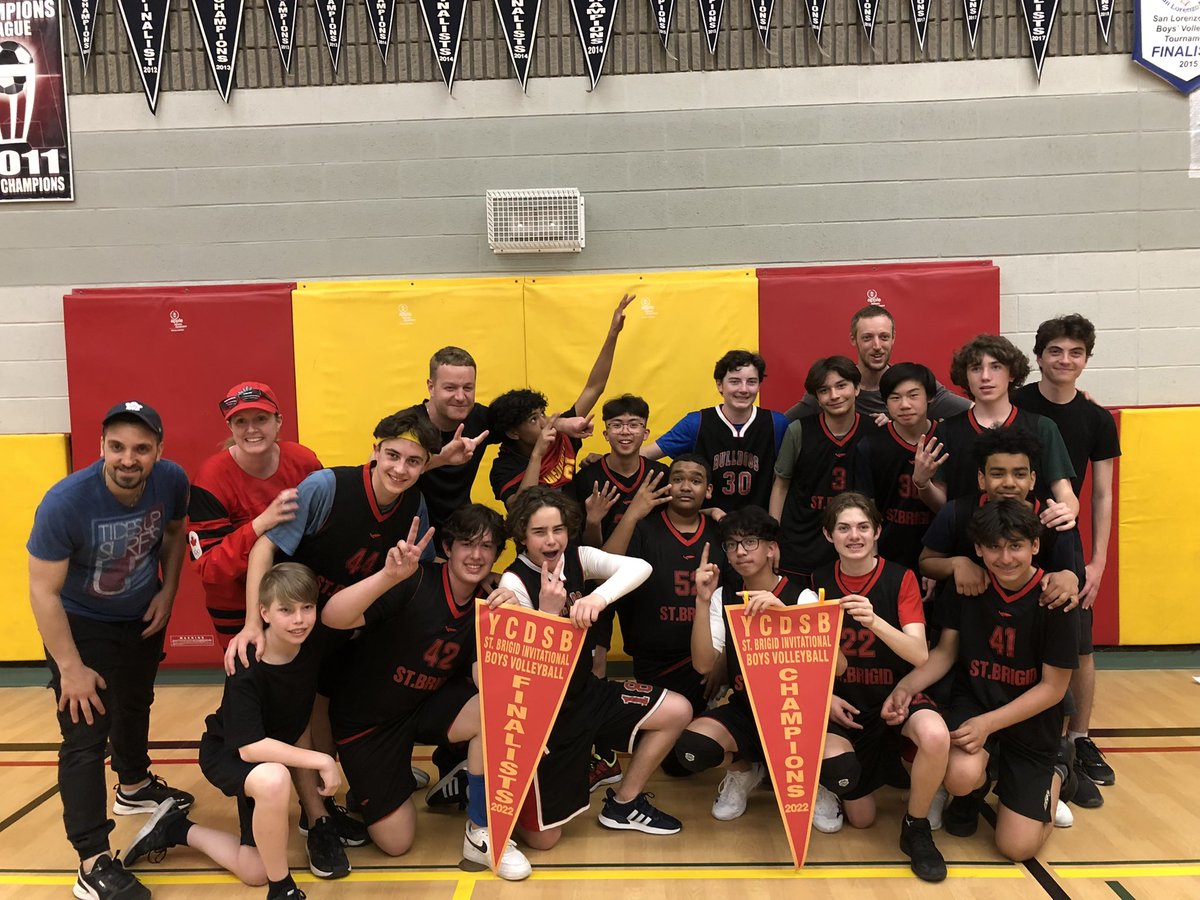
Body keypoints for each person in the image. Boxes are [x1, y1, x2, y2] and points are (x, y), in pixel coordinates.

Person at [225, 408, 442, 842]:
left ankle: (331, 801)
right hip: (298, 621)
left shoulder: (414, 504)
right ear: (375, 450)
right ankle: (314, 818)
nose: (400, 469)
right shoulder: (326, 487)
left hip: (348, 627)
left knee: (327, 708)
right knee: (297, 717)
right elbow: (264, 549)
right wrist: (252, 623)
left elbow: (426, 571)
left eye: (413, 461)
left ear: (424, 466)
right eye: (393, 455)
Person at [27, 400, 192, 900]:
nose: (128, 458)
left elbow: (175, 532)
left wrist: (167, 592)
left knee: (136, 702)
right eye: (117, 446)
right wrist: (70, 666)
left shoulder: (171, 480)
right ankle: (92, 861)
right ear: (101, 446)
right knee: (84, 737)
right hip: (81, 625)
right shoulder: (65, 502)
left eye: (141, 448)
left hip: (140, 614)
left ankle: (134, 786)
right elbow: (43, 591)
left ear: (158, 450)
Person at [320, 507, 533, 881]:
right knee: (396, 842)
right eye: (466, 544)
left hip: (424, 706)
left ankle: (480, 830)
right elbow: (332, 617)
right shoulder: (414, 580)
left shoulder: (489, 602)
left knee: (499, 710)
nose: (476, 555)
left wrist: (509, 625)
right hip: (370, 723)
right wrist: (386, 576)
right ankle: (387, 779)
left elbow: (487, 682)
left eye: (486, 546)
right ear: (447, 548)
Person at [124, 563, 349, 899]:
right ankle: (282, 889)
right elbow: (250, 748)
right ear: (264, 613)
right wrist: (323, 760)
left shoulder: (312, 641)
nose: (299, 619)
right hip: (229, 752)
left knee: (254, 870)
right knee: (274, 777)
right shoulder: (246, 663)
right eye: (286, 610)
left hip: (269, 755)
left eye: (307, 608)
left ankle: (174, 828)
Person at [885, 500, 1079, 862]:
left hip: (1031, 723)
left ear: (1035, 545)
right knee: (959, 776)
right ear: (978, 549)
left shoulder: (1055, 598)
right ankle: (977, 787)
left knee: (1017, 848)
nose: (1005, 558)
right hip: (975, 703)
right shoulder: (968, 587)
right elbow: (945, 653)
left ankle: (1058, 770)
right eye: (994, 547)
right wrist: (905, 687)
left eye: (1016, 546)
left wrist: (988, 724)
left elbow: (1054, 688)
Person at [498, 487, 692, 847]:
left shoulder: (578, 557)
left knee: (678, 709)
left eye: (558, 529)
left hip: (588, 692)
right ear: (522, 535)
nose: (551, 540)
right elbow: (528, 675)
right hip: (548, 717)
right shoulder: (514, 583)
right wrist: (547, 614)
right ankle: (507, 793)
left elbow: (641, 567)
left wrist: (599, 597)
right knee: (545, 840)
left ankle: (624, 803)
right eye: (539, 532)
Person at [811, 493, 948, 883]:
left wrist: (874, 621)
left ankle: (916, 825)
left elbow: (919, 653)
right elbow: (807, 656)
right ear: (829, 535)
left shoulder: (901, 578)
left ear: (877, 532)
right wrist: (825, 698)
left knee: (935, 735)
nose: (854, 536)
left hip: (895, 697)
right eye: (843, 528)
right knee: (862, 819)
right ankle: (828, 783)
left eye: (862, 527)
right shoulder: (817, 581)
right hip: (847, 705)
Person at [1013, 314, 1120, 797]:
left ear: (1087, 359)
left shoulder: (1096, 418)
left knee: (1079, 644)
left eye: (1075, 352)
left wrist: (1097, 562)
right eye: (1055, 351)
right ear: (1038, 357)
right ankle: (1027, 738)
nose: (1065, 360)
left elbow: (1102, 494)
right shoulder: (1017, 403)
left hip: (1063, 542)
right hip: (1012, 536)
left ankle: (1080, 738)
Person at [671, 506, 820, 821]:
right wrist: (701, 600)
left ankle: (816, 782)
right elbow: (703, 665)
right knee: (693, 747)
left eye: (750, 542)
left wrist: (787, 618)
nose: (740, 551)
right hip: (747, 709)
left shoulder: (802, 597)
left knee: (840, 770)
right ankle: (744, 771)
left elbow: (838, 667)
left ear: (771, 549)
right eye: (732, 544)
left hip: (798, 713)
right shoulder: (723, 596)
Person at [187, 381, 322, 647]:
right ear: (230, 426)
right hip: (234, 602)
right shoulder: (211, 478)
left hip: (297, 598)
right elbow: (210, 566)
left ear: (278, 421)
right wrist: (261, 523)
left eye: (261, 418)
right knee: (250, 668)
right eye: (241, 422)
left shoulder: (304, 461)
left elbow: (324, 527)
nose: (251, 429)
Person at [602, 454, 727, 719]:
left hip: (705, 665)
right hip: (651, 663)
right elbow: (604, 573)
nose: (686, 486)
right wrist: (632, 515)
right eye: (678, 479)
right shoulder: (644, 529)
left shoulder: (721, 534)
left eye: (696, 481)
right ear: (668, 486)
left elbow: (735, 602)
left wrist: (724, 661)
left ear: (709, 491)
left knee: (696, 736)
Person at [488, 295, 634, 507]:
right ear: (513, 433)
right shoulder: (504, 466)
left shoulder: (562, 434)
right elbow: (521, 509)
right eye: (533, 419)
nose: (544, 422)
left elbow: (594, 387)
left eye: (542, 414)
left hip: (574, 525)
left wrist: (613, 333)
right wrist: (538, 453)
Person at [937, 335, 1078, 526]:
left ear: (1011, 374)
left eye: (996, 367)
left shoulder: (1042, 427)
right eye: (976, 368)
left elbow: (1064, 490)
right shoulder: (947, 430)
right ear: (966, 376)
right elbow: (940, 502)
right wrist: (922, 484)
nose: (985, 376)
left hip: (1025, 536)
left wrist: (1066, 512)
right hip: (965, 536)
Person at [770, 356, 880, 580]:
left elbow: (876, 497)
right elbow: (780, 486)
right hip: (799, 546)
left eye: (841, 386)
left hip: (852, 545)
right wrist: (773, 538)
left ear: (857, 388)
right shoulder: (798, 431)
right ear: (817, 398)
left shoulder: (875, 431)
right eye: (824, 390)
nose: (834, 395)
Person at [641, 350, 789, 514]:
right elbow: (645, 455)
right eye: (734, 382)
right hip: (707, 523)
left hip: (757, 525)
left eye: (751, 382)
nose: (743, 389)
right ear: (719, 385)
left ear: (759, 385)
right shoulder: (696, 423)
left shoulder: (776, 424)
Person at [785, 305, 970, 421]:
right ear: (853, 339)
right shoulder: (834, 386)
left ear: (893, 338)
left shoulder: (913, 383)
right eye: (867, 338)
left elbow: (975, 412)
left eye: (884, 337)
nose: (877, 346)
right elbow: (783, 424)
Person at [854, 363, 948, 573]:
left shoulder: (947, 438)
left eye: (913, 395)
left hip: (940, 557)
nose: (904, 405)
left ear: (929, 397)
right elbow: (867, 510)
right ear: (885, 402)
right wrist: (873, 563)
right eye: (895, 398)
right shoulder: (871, 445)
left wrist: (923, 483)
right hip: (889, 557)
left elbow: (948, 509)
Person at [406, 347, 497, 535]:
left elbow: (525, 424)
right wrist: (441, 458)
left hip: (459, 535)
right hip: (411, 534)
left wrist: (559, 424)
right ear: (431, 387)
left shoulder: (481, 418)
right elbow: (377, 473)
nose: (460, 397)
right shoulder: (408, 425)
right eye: (450, 388)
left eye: (468, 388)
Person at [568, 394, 669, 548]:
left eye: (634, 425)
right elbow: (587, 550)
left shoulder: (661, 475)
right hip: (605, 562)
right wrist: (593, 521)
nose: (625, 431)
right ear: (606, 434)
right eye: (616, 425)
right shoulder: (587, 479)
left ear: (645, 433)